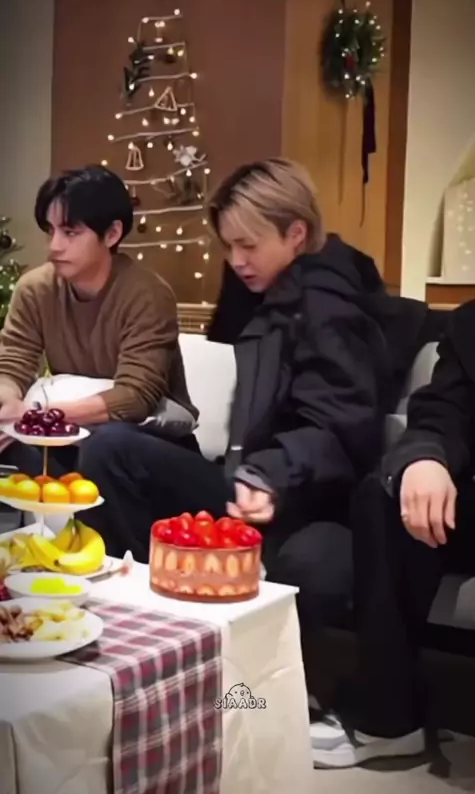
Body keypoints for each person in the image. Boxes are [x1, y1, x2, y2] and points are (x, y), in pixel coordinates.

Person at [76, 158, 393, 590]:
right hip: (247, 480)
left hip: (303, 495)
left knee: (314, 562)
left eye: (248, 245)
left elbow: (339, 425)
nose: (237, 261)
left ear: (296, 234)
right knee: (110, 448)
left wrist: (268, 474)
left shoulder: (330, 308)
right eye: (228, 247)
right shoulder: (264, 295)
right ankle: (141, 593)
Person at [310, 301, 475, 768]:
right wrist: (425, 457)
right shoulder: (473, 324)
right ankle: (389, 721)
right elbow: (444, 412)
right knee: (385, 496)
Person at [0, 164, 199, 559]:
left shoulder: (146, 293)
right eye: (50, 231)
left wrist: (40, 417)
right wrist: (8, 405)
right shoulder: (35, 289)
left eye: (70, 232)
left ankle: (126, 566)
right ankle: (56, 556)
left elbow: (136, 397)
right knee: (12, 442)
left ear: (112, 234)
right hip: (74, 440)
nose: (54, 246)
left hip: (147, 444)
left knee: (107, 445)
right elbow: (13, 364)